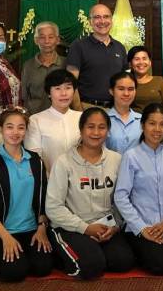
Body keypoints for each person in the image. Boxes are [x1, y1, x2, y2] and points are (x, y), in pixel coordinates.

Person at [46, 107, 136, 278]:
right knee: (91, 267)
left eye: (101, 127)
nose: (96, 132)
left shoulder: (116, 160)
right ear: (81, 129)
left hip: (106, 227)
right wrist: (86, 228)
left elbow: (122, 199)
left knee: (123, 262)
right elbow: (53, 207)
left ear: (108, 131)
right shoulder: (64, 162)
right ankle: (61, 253)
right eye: (90, 127)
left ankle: (92, 251)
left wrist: (116, 226)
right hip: (73, 227)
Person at [0, 107, 53, 282]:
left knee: (43, 268)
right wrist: (6, 237)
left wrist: (42, 228)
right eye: (10, 127)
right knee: (15, 272)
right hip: (3, 230)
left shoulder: (35, 161)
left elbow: (43, 199)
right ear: (1, 129)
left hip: (31, 229)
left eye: (21, 127)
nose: (15, 132)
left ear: (26, 130)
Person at [114, 103, 163, 275]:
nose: (157, 129)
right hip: (142, 225)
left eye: (162, 124)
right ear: (142, 125)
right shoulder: (131, 156)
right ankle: (136, 247)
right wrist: (141, 228)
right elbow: (121, 196)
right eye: (152, 123)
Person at [67, 4, 127, 109]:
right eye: (97, 17)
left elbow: (125, 81)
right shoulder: (78, 46)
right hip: (87, 108)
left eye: (106, 16)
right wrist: (78, 110)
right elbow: (70, 82)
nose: (102, 21)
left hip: (116, 110)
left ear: (111, 20)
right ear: (90, 22)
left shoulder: (120, 47)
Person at [25, 70, 82, 172]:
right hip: (49, 181)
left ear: (74, 91)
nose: (64, 93)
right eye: (57, 88)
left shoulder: (82, 118)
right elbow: (34, 158)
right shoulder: (36, 120)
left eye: (68, 88)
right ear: (49, 93)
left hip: (80, 181)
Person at [21, 21, 67, 115]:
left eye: (51, 37)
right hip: (34, 119)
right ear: (36, 40)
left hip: (61, 119)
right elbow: (24, 97)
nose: (47, 41)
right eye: (42, 37)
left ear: (57, 40)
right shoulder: (28, 66)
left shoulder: (66, 64)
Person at [105, 71, 141, 154]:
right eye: (121, 89)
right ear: (111, 91)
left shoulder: (142, 120)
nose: (126, 93)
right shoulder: (103, 119)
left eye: (131, 89)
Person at [128, 46, 163, 112]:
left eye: (144, 58)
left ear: (150, 62)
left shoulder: (160, 81)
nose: (141, 62)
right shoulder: (127, 83)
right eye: (137, 59)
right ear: (130, 64)